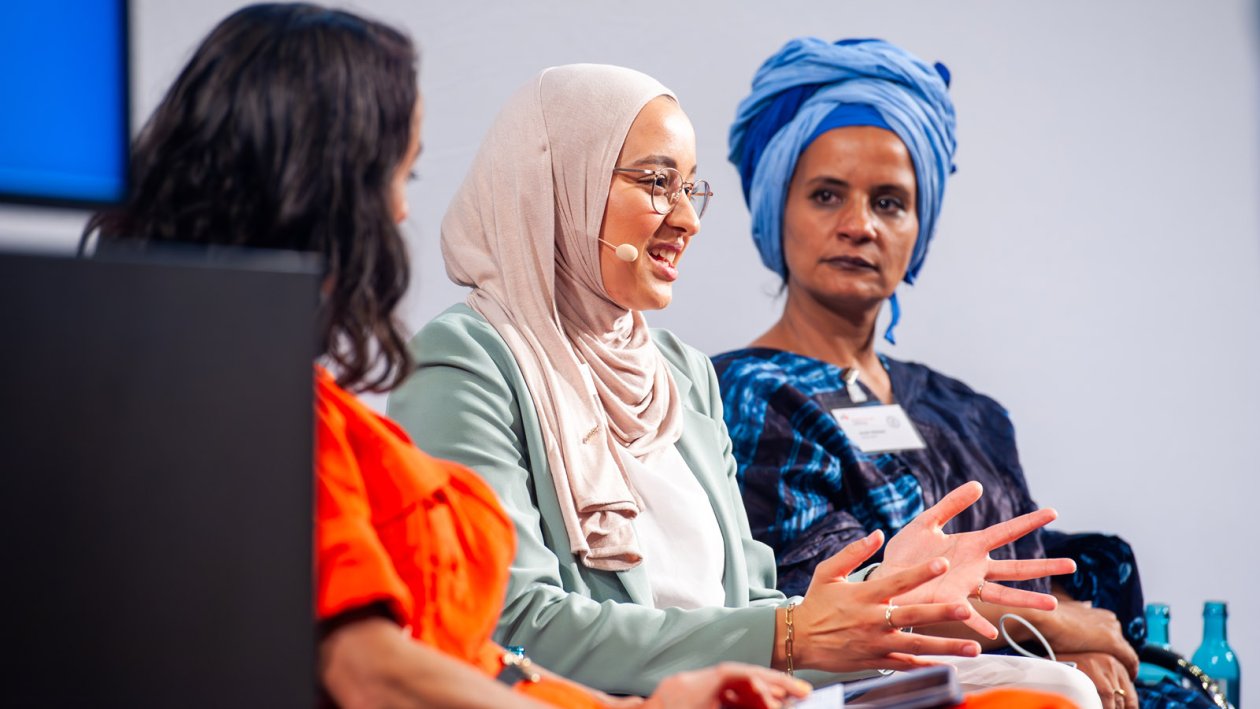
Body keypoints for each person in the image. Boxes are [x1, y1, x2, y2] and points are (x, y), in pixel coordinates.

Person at [81, 5, 813, 708]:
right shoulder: (261, 398)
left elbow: (479, 664)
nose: (400, 211)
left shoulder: (284, 399)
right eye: (397, 176)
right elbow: (379, 670)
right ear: (318, 183)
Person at [386, 62, 1091, 704]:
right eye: (656, 182)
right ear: (557, 182)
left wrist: (883, 600)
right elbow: (505, 623)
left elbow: (753, 609)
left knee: (1045, 688)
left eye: (691, 188)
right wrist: (789, 634)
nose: (688, 219)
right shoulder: (468, 357)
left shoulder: (680, 374)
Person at [715, 37, 1216, 709]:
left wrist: (1077, 642)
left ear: (920, 226)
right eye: (827, 194)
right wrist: (1063, 627)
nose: (859, 225)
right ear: (778, 208)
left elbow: (1029, 561)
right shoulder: (743, 393)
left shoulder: (968, 409)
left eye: (889, 201)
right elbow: (825, 600)